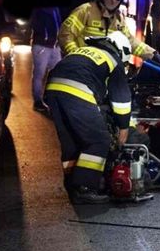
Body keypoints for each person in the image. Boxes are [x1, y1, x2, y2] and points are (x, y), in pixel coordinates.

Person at [44, 31, 133, 204]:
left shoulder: (84, 50)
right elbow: (121, 99)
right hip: (78, 91)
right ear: (122, 51)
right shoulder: (114, 61)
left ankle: (72, 185)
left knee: (71, 142)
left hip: (52, 90)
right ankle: (85, 187)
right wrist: (123, 127)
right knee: (99, 141)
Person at [58, 0, 160, 63]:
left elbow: (130, 42)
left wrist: (152, 54)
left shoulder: (118, 19)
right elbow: (65, 35)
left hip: (105, 69)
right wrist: (76, 56)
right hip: (84, 67)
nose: (113, 1)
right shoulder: (85, 11)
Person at [30, 6, 62, 111]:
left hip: (54, 46)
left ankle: (49, 98)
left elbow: (59, 24)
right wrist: (45, 35)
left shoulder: (55, 8)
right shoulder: (39, 8)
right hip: (41, 45)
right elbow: (35, 24)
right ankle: (38, 101)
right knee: (39, 74)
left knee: (57, 72)